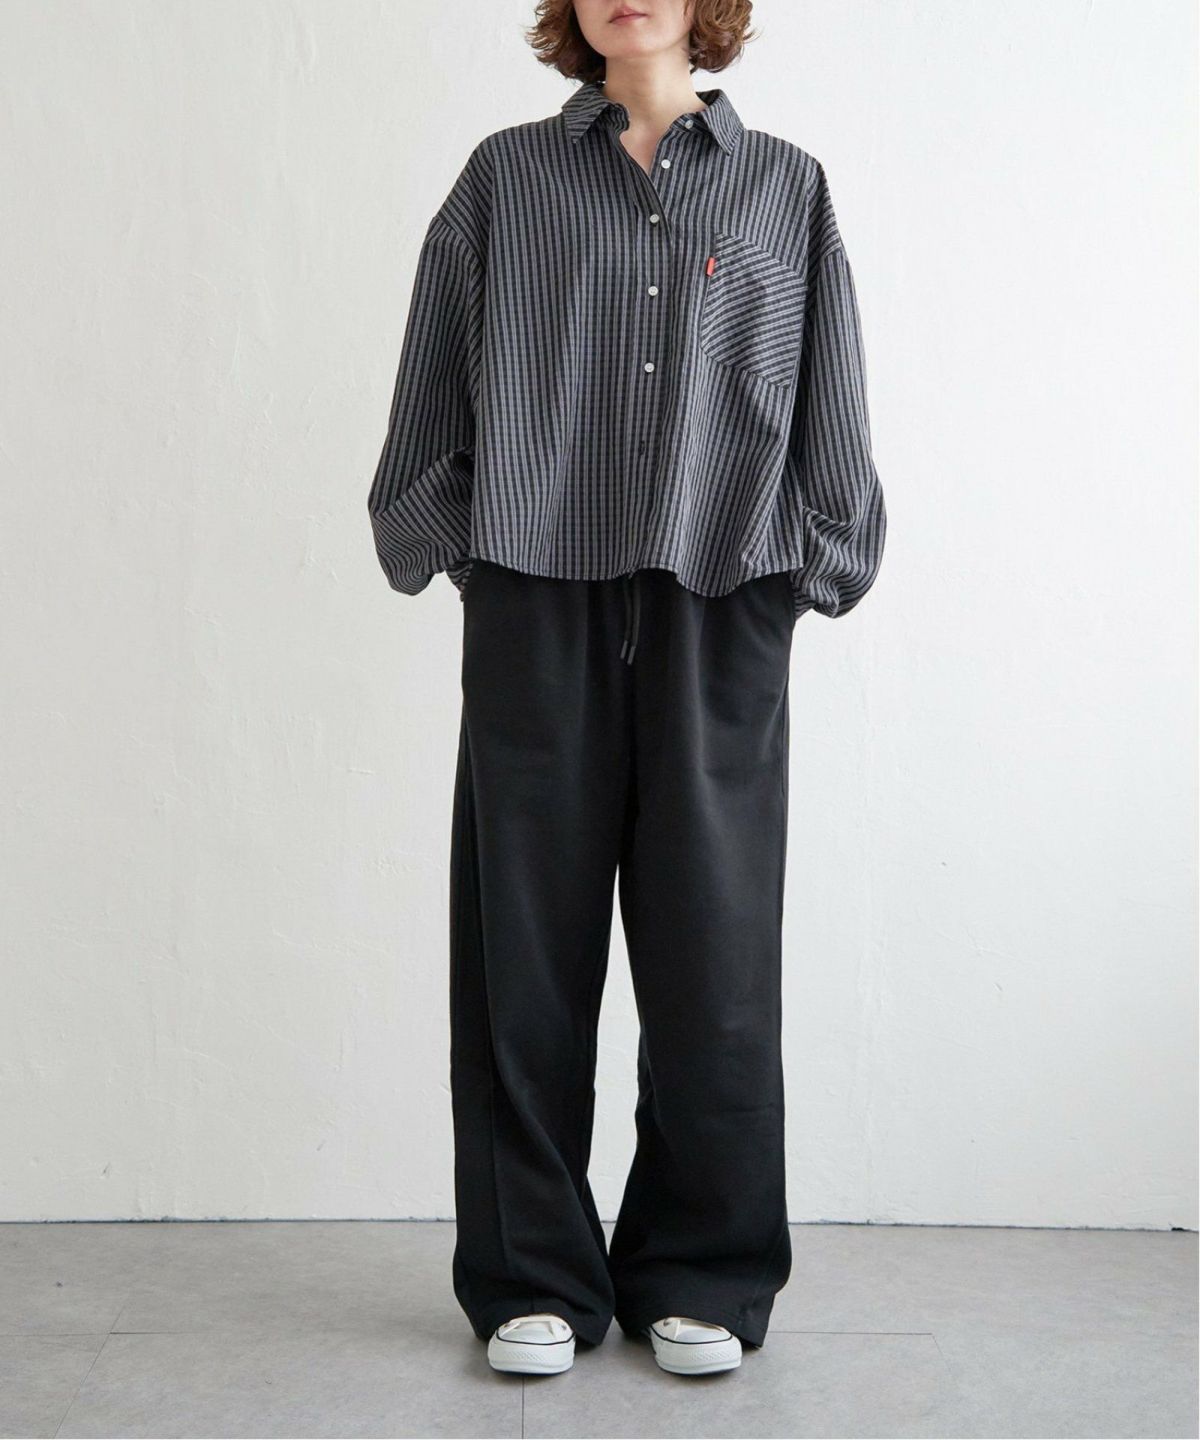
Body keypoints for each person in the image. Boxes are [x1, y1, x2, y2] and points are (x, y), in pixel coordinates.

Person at [367, 0, 886, 1379]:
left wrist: (817, 560)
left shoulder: (785, 188)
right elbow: (434, 375)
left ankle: (701, 1268)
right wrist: (458, 545)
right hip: (538, 591)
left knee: (718, 954)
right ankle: (530, 1273)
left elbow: (830, 384)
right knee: (524, 955)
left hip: (725, 591)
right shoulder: (506, 178)